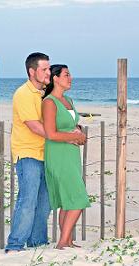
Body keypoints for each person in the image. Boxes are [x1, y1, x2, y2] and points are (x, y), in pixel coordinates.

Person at [5, 52, 52, 252]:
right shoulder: (23, 94)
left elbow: (50, 122)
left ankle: (37, 243)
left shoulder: (43, 94)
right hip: (28, 154)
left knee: (44, 203)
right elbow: (35, 127)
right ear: (32, 72)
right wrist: (63, 136)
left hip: (46, 154)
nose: (48, 72)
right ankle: (15, 245)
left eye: (49, 69)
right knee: (28, 200)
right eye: (44, 69)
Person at [42, 64, 91, 249]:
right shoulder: (49, 102)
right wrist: (75, 136)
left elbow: (69, 124)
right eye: (66, 75)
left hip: (72, 154)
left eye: (70, 74)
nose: (70, 78)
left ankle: (68, 241)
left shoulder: (68, 100)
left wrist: (77, 130)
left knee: (67, 200)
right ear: (55, 78)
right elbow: (50, 133)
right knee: (78, 197)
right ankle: (62, 243)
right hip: (58, 153)